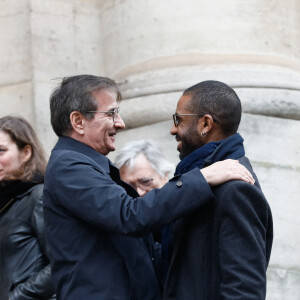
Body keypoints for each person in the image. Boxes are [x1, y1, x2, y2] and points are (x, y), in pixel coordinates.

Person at [43, 74, 255, 300]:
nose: (120, 123)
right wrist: (202, 178)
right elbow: (129, 216)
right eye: (111, 113)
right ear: (78, 121)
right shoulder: (69, 166)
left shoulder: (89, 165)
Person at [162, 80, 273, 300]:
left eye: (179, 120)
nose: (173, 129)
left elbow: (244, 289)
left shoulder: (235, 190)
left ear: (206, 124)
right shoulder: (200, 179)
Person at [0, 116, 55, 300]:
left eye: (1, 151)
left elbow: (61, 263)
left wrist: (14, 297)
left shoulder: (39, 196)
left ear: (26, 153)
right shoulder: (7, 200)